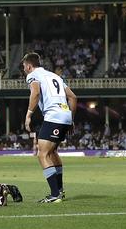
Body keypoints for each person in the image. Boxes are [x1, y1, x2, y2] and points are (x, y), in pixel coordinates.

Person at [22, 52, 77, 203]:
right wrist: (71, 119)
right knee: (52, 152)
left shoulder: (33, 75)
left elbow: (35, 93)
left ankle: (55, 195)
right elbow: (73, 97)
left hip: (54, 116)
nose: (24, 70)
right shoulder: (54, 76)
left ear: (29, 66)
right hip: (65, 114)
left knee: (42, 154)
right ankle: (59, 190)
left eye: (24, 67)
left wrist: (28, 114)